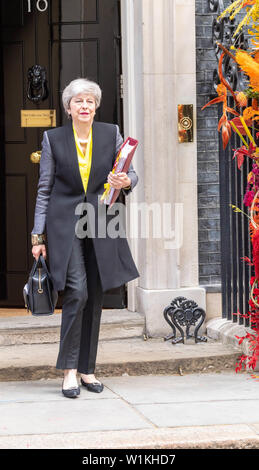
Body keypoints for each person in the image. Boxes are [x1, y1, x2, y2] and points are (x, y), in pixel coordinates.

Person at [31, 78, 139, 398]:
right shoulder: (53, 139)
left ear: (96, 107)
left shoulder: (111, 133)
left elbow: (130, 174)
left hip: (102, 220)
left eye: (90, 101)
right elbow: (44, 189)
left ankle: (87, 369)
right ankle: (68, 370)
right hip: (64, 224)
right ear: (68, 108)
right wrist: (38, 236)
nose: (85, 106)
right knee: (77, 290)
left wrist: (125, 180)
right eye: (78, 101)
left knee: (94, 294)